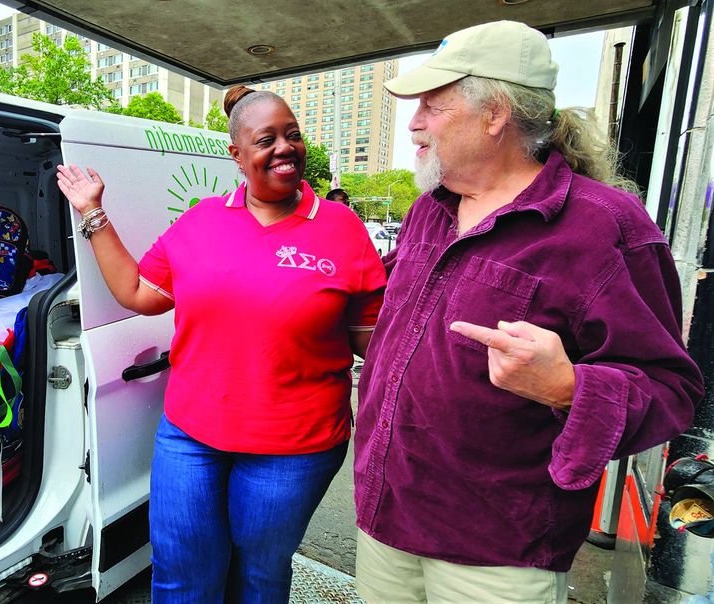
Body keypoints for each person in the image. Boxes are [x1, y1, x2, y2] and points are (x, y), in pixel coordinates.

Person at [353, 20, 705, 603]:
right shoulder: (428, 211)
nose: (413, 124)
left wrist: (569, 386)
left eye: (431, 107)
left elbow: (671, 389)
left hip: (496, 550)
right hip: (384, 515)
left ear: (494, 114)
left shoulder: (606, 229)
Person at [57, 85, 386, 602]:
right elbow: (139, 294)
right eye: (266, 138)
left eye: (293, 135)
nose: (285, 147)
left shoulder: (342, 228)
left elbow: (374, 339)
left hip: (294, 447)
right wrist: (92, 213)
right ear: (236, 154)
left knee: (259, 576)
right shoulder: (202, 221)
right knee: (181, 572)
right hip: (191, 436)